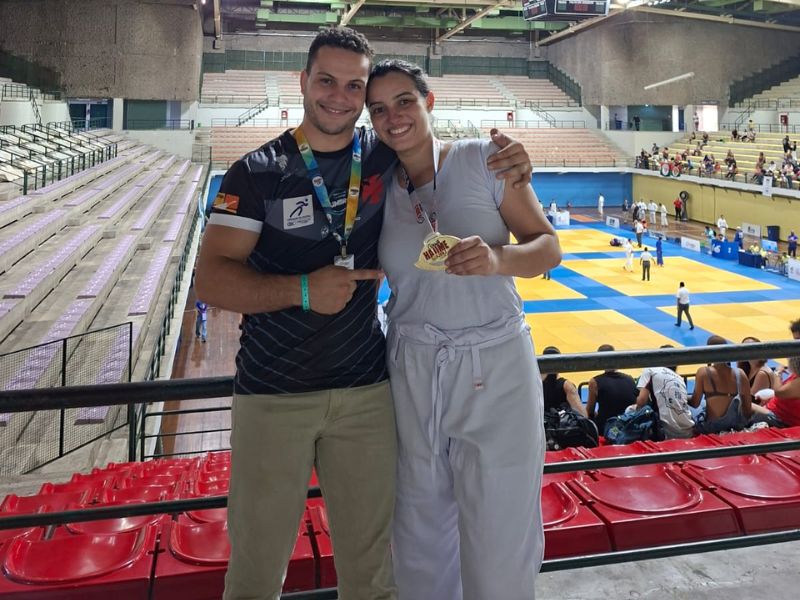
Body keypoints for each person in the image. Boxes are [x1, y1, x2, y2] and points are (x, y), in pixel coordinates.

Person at [194, 28, 533, 600]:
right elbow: (210, 278)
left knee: (374, 573)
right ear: (303, 82)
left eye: (355, 86)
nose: (340, 96)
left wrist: (514, 159)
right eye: (326, 80)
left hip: (367, 393)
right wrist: (302, 290)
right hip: (275, 392)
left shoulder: (383, 159)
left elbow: (442, 157)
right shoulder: (255, 172)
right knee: (255, 574)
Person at [366, 59, 561, 600]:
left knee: (500, 537)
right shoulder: (379, 187)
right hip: (411, 366)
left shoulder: (481, 160)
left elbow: (548, 246)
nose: (393, 116)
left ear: (429, 103)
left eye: (404, 101)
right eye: (379, 108)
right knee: (418, 535)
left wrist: (498, 259)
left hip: (494, 362)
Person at [691, 335, 754, 434]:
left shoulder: (703, 372)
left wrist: (684, 398)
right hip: (735, 426)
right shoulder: (740, 374)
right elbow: (747, 411)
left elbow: (695, 403)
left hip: (711, 428)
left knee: (694, 410)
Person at [635, 345, 695, 439]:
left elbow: (641, 401)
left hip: (666, 432)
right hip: (688, 430)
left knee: (630, 410)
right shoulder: (679, 378)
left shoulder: (651, 370)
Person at [586, 344, 638, 434]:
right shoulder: (630, 379)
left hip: (608, 428)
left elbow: (589, 411)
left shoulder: (594, 382)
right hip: (628, 425)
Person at [751, 354, 800, 427]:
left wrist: (777, 372)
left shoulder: (798, 382)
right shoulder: (796, 376)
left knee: (740, 404)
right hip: (775, 411)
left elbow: (778, 392)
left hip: (780, 418)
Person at [541, 346, 587, 416]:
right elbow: (582, 415)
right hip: (560, 424)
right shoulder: (567, 386)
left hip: (539, 423)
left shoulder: (534, 385)